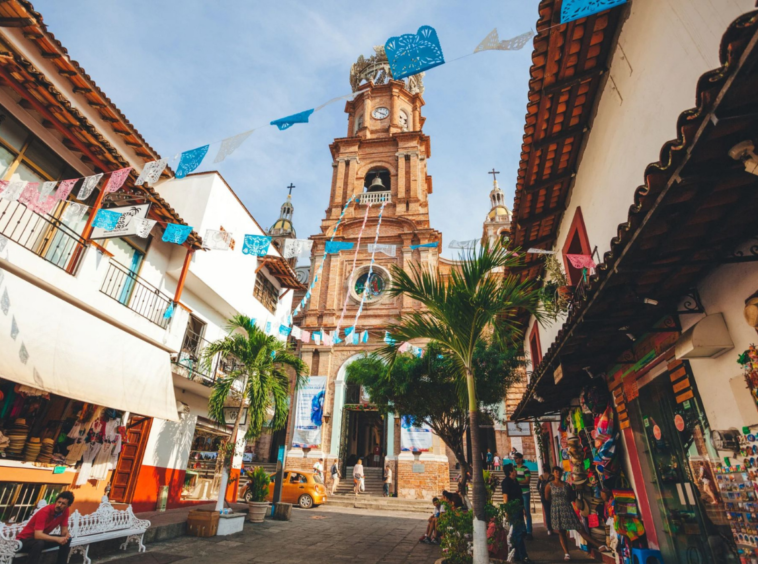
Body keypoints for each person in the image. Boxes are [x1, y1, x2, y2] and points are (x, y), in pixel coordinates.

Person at [17, 491, 74, 564]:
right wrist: (57, 539)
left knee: (67, 540)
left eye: (63, 504)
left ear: (68, 506)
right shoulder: (45, 512)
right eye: (58, 502)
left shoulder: (65, 511)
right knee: (39, 543)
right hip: (23, 541)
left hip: (39, 540)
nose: (59, 505)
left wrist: (66, 535)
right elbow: (37, 535)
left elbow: (64, 531)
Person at [545, 466, 583, 561]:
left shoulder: (566, 485)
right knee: (561, 531)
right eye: (556, 471)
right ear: (553, 473)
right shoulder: (549, 485)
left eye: (559, 471)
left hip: (567, 508)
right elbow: (547, 498)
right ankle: (566, 553)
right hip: (556, 508)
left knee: (578, 527)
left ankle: (598, 545)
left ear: (561, 473)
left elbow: (571, 496)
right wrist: (556, 503)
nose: (557, 473)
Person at [501, 464, 531, 563]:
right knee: (518, 533)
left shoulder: (516, 481)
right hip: (513, 510)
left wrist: (523, 508)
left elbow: (519, 495)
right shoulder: (506, 483)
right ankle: (523, 556)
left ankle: (517, 555)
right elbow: (505, 498)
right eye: (514, 469)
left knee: (519, 532)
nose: (515, 471)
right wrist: (507, 512)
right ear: (510, 472)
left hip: (519, 509)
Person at [514, 452, 533, 539]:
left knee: (527, 512)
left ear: (521, 458)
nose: (516, 459)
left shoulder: (525, 469)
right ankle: (523, 530)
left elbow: (527, 481)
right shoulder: (513, 469)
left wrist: (518, 482)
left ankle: (529, 531)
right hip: (517, 493)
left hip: (525, 492)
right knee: (519, 512)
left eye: (517, 458)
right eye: (515, 458)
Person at [537, 468, 554, 535]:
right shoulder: (551, 477)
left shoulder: (541, 476)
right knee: (552, 511)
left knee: (547, 513)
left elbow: (537, 486)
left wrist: (540, 492)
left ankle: (549, 529)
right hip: (551, 496)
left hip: (543, 496)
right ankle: (553, 527)